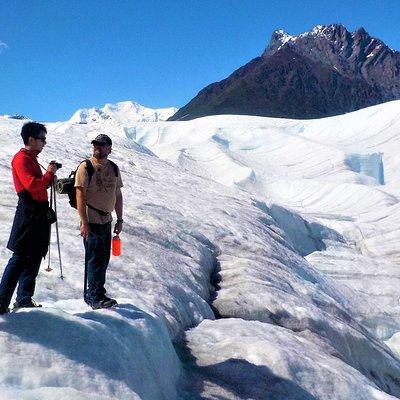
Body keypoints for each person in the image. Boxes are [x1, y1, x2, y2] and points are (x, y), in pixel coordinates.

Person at [0, 122, 59, 314]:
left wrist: (48, 176)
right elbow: (33, 185)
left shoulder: (30, 158)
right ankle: (2, 301)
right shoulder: (22, 159)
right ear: (31, 139)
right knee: (20, 256)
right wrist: (49, 173)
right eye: (42, 139)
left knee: (34, 255)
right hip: (29, 212)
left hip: (36, 212)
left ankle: (24, 297)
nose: (44, 143)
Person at [75, 134, 123, 309]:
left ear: (109, 148)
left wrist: (120, 219)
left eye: (102, 145)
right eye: (96, 144)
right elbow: (80, 194)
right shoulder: (85, 167)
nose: (98, 147)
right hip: (92, 220)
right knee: (95, 258)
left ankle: (97, 293)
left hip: (106, 220)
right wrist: (84, 222)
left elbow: (117, 195)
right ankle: (94, 296)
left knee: (103, 258)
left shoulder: (114, 168)